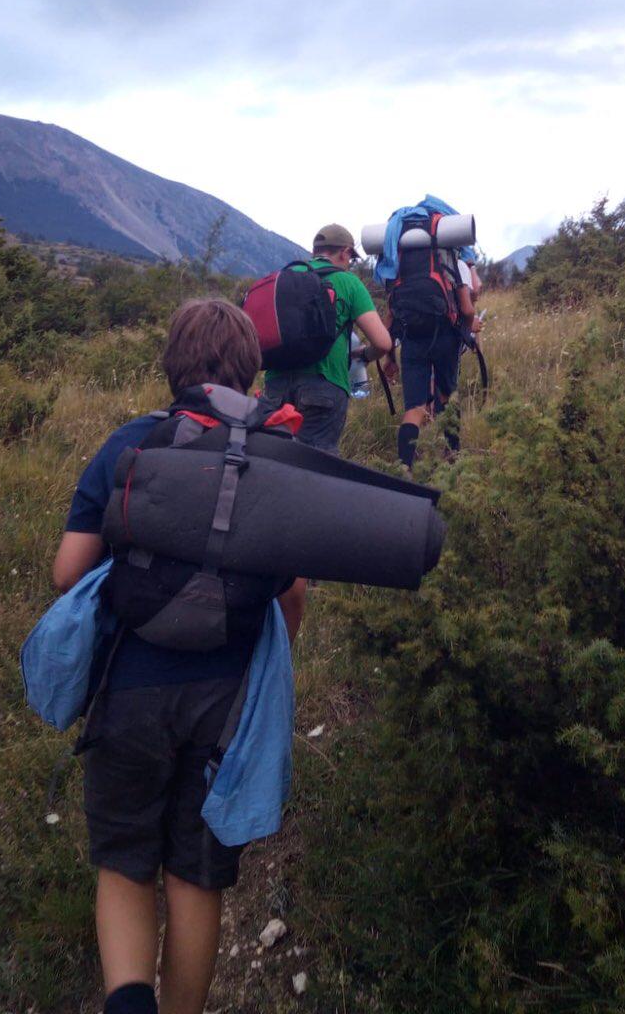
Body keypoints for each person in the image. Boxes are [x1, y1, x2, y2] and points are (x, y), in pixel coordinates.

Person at [51, 299, 306, 1014]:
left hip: (130, 690)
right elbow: (292, 599)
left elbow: (68, 572)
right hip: (223, 703)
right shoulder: (273, 458)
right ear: (253, 373)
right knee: (196, 874)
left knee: (126, 861)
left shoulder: (131, 443)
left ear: (172, 365)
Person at [262, 223, 392, 454]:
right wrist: (365, 355)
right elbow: (383, 342)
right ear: (345, 252)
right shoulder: (348, 282)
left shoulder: (284, 276)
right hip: (325, 384)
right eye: (350, 259)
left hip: (275, 386)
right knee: (317, 465)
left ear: (315, 251)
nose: (350, 264)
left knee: (274, 458)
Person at [381, 223, 481, 470]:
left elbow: (390, 318)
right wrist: (469, 331)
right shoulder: (454, 263)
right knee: (447, 398)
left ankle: (404, 468)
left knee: (414, 408)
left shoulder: (398, 267)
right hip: (446, 338)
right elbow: (467, 310)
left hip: (411, 340)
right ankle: (452, 459)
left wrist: (389, 357)